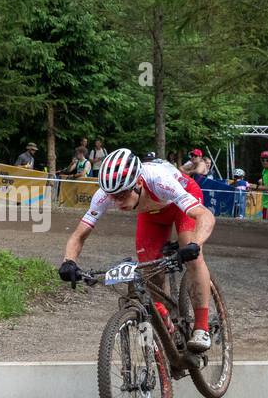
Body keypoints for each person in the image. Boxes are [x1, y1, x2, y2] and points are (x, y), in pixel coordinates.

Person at [57, 148, 216, 352]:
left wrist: (196, 244)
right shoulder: (105, 195)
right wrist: (68, 261)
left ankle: (202, 327)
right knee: (149, 271)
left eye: (122, 195)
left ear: (138, 183)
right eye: (112, 196)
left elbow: (205, 216)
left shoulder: (159, 181)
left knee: (190, 250)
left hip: (180, 203)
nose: (117, 202)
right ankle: (166, 325)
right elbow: (79, 235)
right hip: (151, 213)